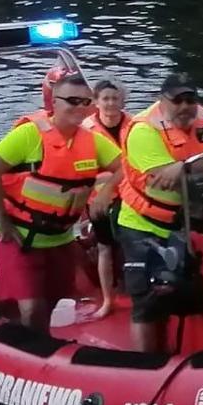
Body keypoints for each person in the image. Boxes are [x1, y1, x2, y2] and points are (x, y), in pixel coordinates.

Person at [0, 72, 122, 334]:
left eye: (85, 102)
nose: (80, 108)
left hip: (61, 239)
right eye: (72, 101)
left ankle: (34, 341)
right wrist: (0, 218)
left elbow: (125, 165)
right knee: (33, 309)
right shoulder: (29, 134)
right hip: (20, 237)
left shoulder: (93, 140)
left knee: (55, 300)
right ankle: (35, 354)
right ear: (54, 102)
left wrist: (106, 191)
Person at [110, 73, 203, 353]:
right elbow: (163, 177)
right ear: (163, 101)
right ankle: (147, 364)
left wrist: (184, 166)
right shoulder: (143, 130)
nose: (185, 106)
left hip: (189, 222)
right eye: (177, 100)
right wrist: (201, 166)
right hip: (144, 225)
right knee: (148, 302)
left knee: (189, 290)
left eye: (190, 99)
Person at [80, 79, 136, 321]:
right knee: (104, 249)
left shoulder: (135, 125)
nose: (111, 103)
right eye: (105, 98)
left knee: (133, 246)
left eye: (115, 98)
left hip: (133, 197)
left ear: (122, 100)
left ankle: (135, 294)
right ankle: (107, 300)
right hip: (99, 201)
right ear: (96, 102)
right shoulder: (86, 130)